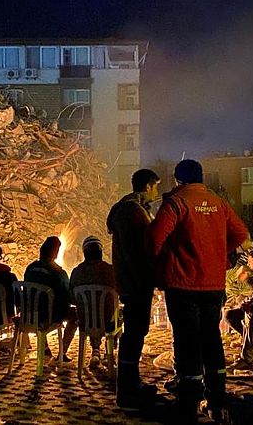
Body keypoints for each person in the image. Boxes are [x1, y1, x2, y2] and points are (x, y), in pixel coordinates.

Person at [149, 159, 249, 424]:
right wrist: (219, 252)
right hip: (213, 285)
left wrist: (159, 264)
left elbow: (154, 240)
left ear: (178, 180)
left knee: (186, 340)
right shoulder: (218, 203)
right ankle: (217, 398)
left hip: (182, 284)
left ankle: (188, 401)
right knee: (211, 338)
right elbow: (241, 233)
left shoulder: (176, 203)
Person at [106, 168, 160, 408]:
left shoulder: (134, 209)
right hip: (135, 282)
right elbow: (134, 251)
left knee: (137, 331)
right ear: (147, 186)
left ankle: (132, 382)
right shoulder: (131, 211)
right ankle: (127, 389)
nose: (156, 191)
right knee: (134, 333)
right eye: (155, 186)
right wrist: (145, 278)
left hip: (134, 281)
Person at [23, 236, 78, 362]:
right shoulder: (59, 273)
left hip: (30, 314)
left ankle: (45, 348)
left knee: (40, 307)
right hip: (50, 316)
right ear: (56, 253)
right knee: (75, 317)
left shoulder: (30, 268)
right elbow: (68, 297)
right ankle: (62, 352)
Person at [69, 236, 118, 368]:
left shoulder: (76, 272)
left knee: (91, 314)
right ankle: (110, 351)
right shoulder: (111, 271)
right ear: (100, 252)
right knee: (118, 314)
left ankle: (95, 350)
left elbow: (71, 298)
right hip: (109, 323)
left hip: (85, 323)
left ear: (84, 253)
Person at [224, 248, 253, 337]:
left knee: (228, 315)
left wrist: (245, 303)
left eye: (249, 261)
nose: (248, 264)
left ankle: (251, 337)